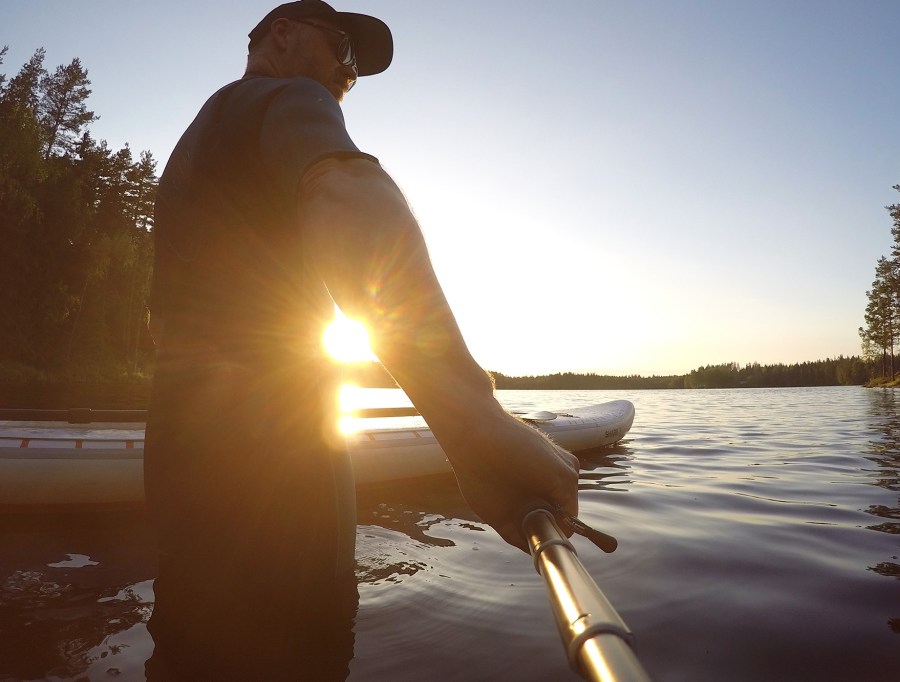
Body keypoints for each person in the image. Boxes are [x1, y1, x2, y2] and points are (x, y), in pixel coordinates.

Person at [144, 1, 580, 677]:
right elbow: (347, 194)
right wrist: (476, 422)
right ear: (281, 37)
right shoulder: (288, 98)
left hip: (183, 476)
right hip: (280, 485)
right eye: (342, 46)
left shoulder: (194, 149)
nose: (350, 71)